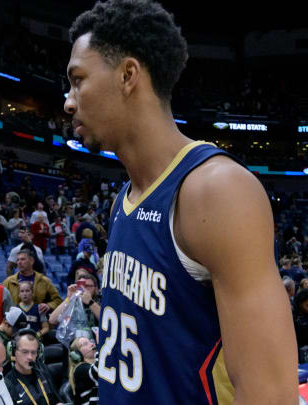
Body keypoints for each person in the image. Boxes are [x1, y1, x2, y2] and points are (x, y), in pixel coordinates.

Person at [65, 1, 295, 402]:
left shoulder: (216, 191)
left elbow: (270, 393)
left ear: (128, 75)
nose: (69, 101)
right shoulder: (125, 198)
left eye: (77, 80)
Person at [4, 330, 64, 405]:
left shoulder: (43, 373)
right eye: (25, 352)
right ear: (13, 352)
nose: (30, 357)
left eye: (33, 352)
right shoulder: (7, 384)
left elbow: (56, 400)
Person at [3, 250, 62, 316]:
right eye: (18, 260)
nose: (19, 262)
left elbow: (58, 300)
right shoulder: (9, 281)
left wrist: (49, 306)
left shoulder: (44, 281)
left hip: (38, 322)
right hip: (14, 322)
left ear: (31, 261)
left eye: (22, 259)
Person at [64, 337, 98, 405]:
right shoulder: (79, 369)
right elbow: (97, 373)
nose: (92, 344)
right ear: (76, 354)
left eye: (91, 341)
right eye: (85, 344)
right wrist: (103, 346)